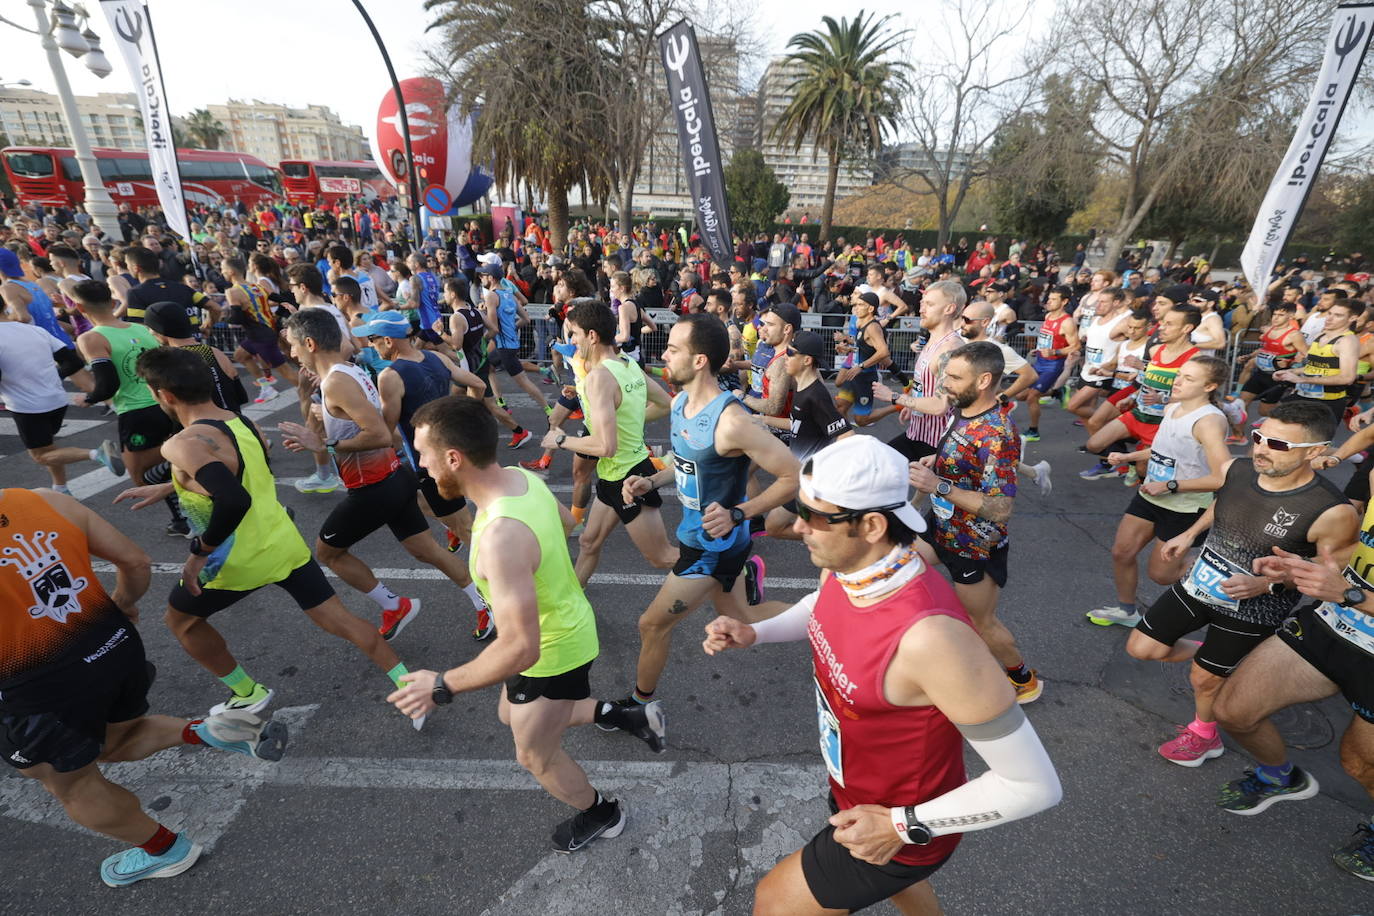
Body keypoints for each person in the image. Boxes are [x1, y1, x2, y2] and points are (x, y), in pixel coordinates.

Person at [701, 436, 1061, 915]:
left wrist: (901, 825)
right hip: (855, 788)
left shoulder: (931, 638)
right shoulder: (848, 569)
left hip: (905, 823)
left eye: (814, 515)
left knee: (773, 902)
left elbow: (1034, 784)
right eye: (798, 507)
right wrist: (756, 632)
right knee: (897, 893)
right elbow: (819, 609)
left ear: (870, 524)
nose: (797, 526)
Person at [386, 396, 667, 853]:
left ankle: (604, 814)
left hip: (553, 651)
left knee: (533, 754)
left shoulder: (499, 536)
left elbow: (521, 648)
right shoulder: (519, 478)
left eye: (424, 455)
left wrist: (440, 686)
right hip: (564, 628)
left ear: (454, 458)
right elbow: (565, 525)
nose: (422, 466)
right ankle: (621, 714)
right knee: (508, 714)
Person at [0, 486, 289, 887]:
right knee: (117, 738)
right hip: (112, 643)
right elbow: (136, 561)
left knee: (70, 784)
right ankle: (209, 730)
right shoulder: (43, 499)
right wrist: (121, 602)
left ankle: (166, 850)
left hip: (40, 686)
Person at [112, 348, 417, 721]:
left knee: (181, 622)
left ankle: (247, 692)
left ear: (165, 395)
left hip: (233, 560)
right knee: (343, 622)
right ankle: (410, 685)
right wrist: (169, 486)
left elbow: (233, 498)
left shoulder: (181, 443)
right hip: (283, 543)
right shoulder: (242, 423)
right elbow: (238, 475)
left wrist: (198, 553)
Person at [1127, 401, 1354, 765]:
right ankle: (1215, 655)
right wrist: (1189, 535)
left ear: (1314, 452)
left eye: (1278, 445)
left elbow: (1330, 574)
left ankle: (1204, 733)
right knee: (1142, 648)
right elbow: (1224, 501)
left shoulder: (1331, 511)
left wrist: (1266, 586)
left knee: (1203, 679)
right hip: (1199, 585)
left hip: (1254, 609)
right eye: (1259, 437)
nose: (1262, 449)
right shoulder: (1238, 468)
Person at [614, 314, 800, 709]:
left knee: (651, 624)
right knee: (742, 615)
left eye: (673, 349)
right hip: (703, 536)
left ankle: (640, 706)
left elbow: (793, 475)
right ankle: (826, 621)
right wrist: (652, 481)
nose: (663, 354)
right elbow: (685, 464)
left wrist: (740, 513)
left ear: (699, 361)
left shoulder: (731, 421)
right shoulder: (680, 402)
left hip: (713, 547)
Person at [275, 308, 486, 642]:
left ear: (311, 344)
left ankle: (394, 605)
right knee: (426, 551)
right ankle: (483, 601)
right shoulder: (345, 370)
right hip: (394, 478)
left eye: (293, 346)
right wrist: (306, 396)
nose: (290, 353)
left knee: (328, 553)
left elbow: (379, 434)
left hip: (373, 486)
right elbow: (323, 417)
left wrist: (326, 444)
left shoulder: (338, 381)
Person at [1217, 456, 1374, 881]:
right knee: (1233, 711)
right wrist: (1296, 573)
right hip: (1334, 624)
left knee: (1360, 765)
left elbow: (1352, 590)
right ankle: (1279, 777)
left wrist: (1354, 597)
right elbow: (1358, 552)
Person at [908, 341, 1041, 702]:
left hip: (973, 545)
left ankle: (1023, 679)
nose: (945, 382)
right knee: (898, 569)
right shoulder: (962, 409)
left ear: (983, 380)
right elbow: (961, 452)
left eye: (954, 376)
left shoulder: (998, 433)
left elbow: (1001, 509)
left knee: (983, 624)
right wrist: (936, 460)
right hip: (941, 528)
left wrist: (938, 484)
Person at [357, 309, 493, 639]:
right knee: (426, 507)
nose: (372, 345)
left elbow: (387, 433)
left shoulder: (390, 375)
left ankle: (495, 601)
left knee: (469, 532)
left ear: (388, 340)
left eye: (373, 340)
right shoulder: (437, 359)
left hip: (432, 464)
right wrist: (465, 423)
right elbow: (476, 383)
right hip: (441, 459)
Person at [1087, 356, 1233, 627]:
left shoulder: (1209, 422)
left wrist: (1170, 485)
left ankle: (1216, 569)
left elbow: (1223, 477)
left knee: (1162, 575)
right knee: (1122, 552)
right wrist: (1129, 458)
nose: (1178, 382)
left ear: (1210, 386)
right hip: (1150, 495)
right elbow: (1164, 449)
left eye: (1189, 379)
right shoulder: (1172, 408)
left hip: (1185, 506)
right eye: (1179, 375)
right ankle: (1127, 611)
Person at [540, 300, 676, 586]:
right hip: (614, 475)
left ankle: (735, 566)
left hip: (630, 478)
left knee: (662, 557)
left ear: (592, 336)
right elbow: (664, 403)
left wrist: (561, 440)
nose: (572, 341)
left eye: (575, 334)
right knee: (589, 542)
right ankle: (572, 602)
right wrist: (626, 423)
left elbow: (605, 447)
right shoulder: (627, 364)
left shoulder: (599, 378)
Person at [67, 279, 187, 535]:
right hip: (169, 404)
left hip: (137, 413)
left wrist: (88, 399)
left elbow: (107, 384)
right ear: (112, 302)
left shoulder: (90, 338)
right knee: (169, 465)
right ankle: (182, 517)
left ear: (78, 307)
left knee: (143, 477)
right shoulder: (142, 328)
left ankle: (193, 480)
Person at [0, 306, 120, 491]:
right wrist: (52, 377)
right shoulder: (35, 330)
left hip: (28, 406)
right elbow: (72, 362)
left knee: (41, 455)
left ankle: (97, 454)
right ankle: (61, 488)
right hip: (56, 400)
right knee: (49, 448)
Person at [760, 330, 855, 539]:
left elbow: (847, 435)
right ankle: (832, 538)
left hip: (810, 479)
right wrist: (762, 420)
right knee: (774, 525)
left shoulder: (816, 395)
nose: (785, 356)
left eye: (790, 353)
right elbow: (799, 424)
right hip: (799, 475)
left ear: (807, 360)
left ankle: (835, 539)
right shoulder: (801, 387)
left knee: (774, 525)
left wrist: (820, 472)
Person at [142, 300, 247, 412]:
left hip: (200, 427)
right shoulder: (216, 353)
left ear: (158, 329)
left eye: (150, 328)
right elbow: (241, 396)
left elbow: (170, 409)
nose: (150, 332)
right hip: (237, 424)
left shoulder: (167, 362)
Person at [478, 262, 550, 418]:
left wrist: (481, 335)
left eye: (483, 276)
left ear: (490, 278)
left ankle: (547, 410)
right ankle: (500, 403)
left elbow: (493, 328)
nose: (481, 278)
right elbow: (526, 319)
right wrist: (512, 328)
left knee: (521, 381)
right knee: (487, 368)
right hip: (510, 344)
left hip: (503, 346)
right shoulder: (509, 295)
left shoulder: (491, 295)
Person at [1022, 285, 1080, 442]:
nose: (1049, 302)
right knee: (1021, 394)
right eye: (1049, 298)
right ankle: (1057, 392)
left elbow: (1075, 346)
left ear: (1064, 302)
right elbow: (1047, 339)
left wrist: (1055, 352)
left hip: (1053, 365)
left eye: (1054, 299)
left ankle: (1034, 431)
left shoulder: (1067, 322)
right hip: (1040, 360)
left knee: (1032, 397)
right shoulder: (1048, 317)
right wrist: (1038, 349)